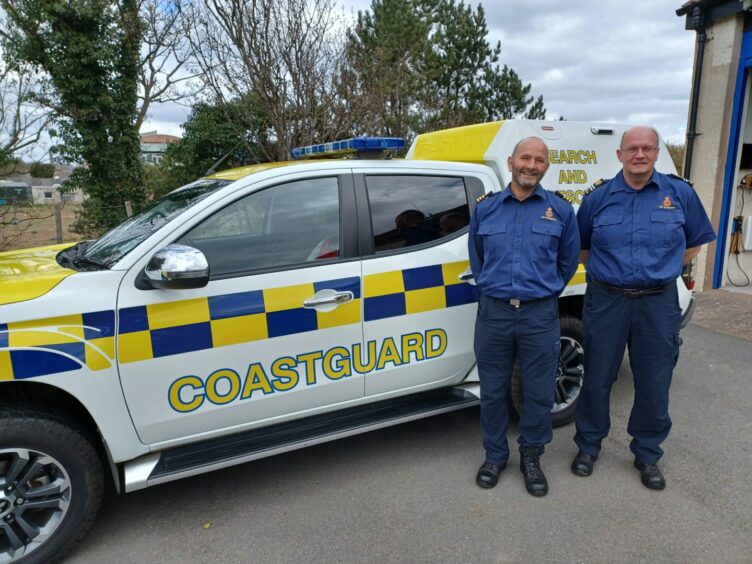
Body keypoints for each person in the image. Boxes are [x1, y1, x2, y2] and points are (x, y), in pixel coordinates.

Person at [571, 126, 716, 490]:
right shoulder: (597, 199)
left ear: (655, 153)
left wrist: (660, 270)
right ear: (619, 155)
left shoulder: (679, 194)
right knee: (597, 377)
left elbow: (695, 242)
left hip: (657, 301)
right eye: (632, 148)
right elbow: (582, 248)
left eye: (647, 148)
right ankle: (588, 446)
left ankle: (648, 453)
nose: (639, 154)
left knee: (654, 381)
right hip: (607, 300)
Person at [469, 136, 580, 496]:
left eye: (539, 160)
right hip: (495, 314)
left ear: (546, 166)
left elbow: (567, 264)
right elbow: (478, 259)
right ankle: (495, 456)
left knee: (537, 393)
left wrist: (540, 293)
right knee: (493, 392)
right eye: (525, 158)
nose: (531, 165)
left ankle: (531, 456)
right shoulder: (485, 210)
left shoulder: (561, 211)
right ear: (511, 161)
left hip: (539, 315)